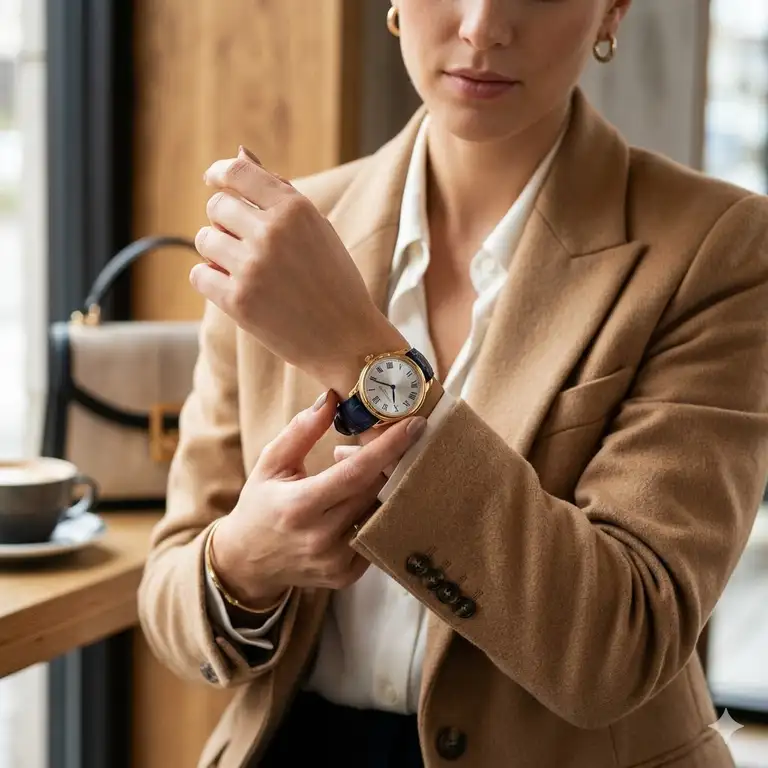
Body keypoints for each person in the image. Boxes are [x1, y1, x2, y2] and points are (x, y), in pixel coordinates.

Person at [138, 1, 768, 766]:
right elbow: (169, 591)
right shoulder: (286, 240)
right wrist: (245, 561)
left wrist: (360, 353)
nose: (482, 26)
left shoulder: (719, 249)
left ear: (612, 11)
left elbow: (620, 648)